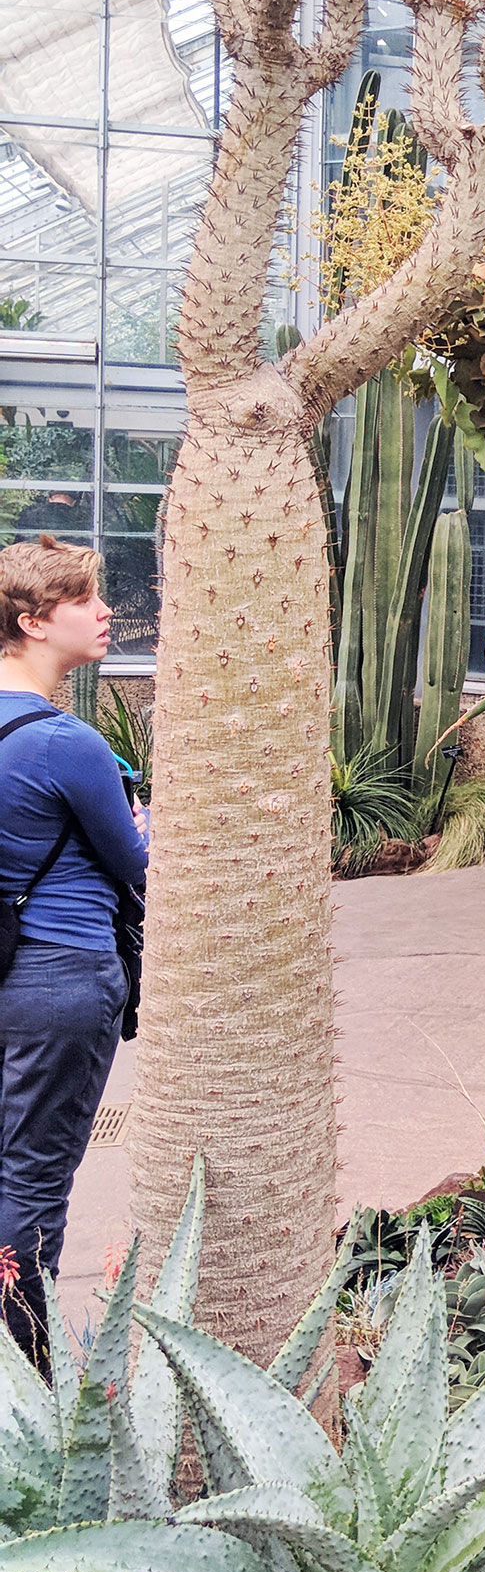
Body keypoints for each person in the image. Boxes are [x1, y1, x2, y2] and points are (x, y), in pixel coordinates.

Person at [0, 535, 147, 1371]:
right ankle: (29, 1368)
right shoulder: (67, 743)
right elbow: (137, 863)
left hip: (5, 966)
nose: (105, 610)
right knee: (34, 1177)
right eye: (83, 600)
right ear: (31, 620)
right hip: (62, 979)